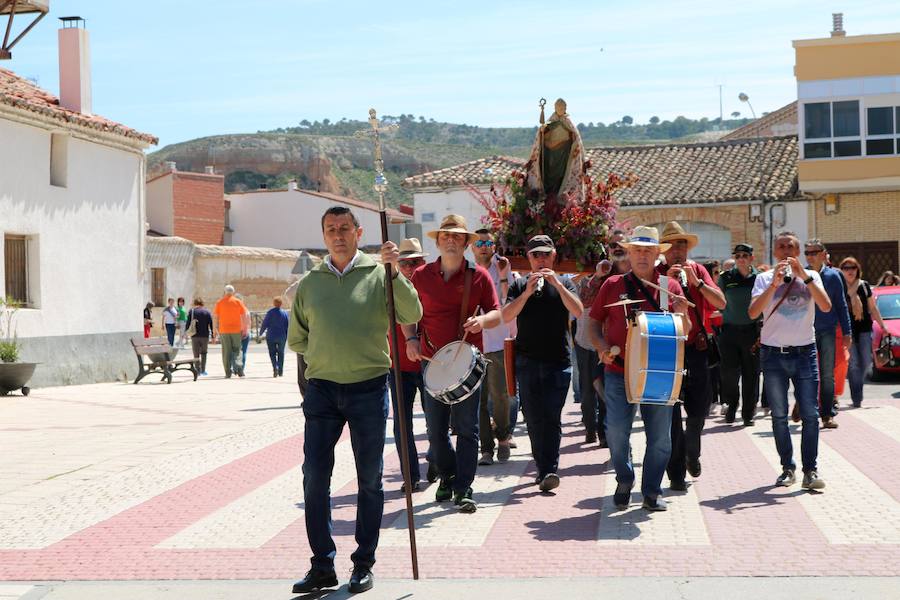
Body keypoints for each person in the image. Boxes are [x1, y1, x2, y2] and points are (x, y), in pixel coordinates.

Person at [288, 206, 422, 595]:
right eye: (331, 229)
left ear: (359, 232)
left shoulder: (380, 273)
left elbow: (412, 312)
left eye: (345, 228)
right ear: (323, 234)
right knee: (314, 476)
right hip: (322, 391)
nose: (338, 234)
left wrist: (395, 271)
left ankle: (363, 564)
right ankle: (322, 565)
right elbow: (297, 337)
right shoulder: (311, 282)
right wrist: (327, 352)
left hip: (369, 387)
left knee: (370, 478)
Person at [403, 214, 501, 514]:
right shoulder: (420, 276)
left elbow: (497, 313)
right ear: (437, 240)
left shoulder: (479, 276)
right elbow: (407, 313)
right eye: (445, 235)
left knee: (468, 429)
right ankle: (446, 476)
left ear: (465, 242)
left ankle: (464, 488)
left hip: (466, 363)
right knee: (435, 431)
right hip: (431, 362)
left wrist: (481, 320)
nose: (450, 240)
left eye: (457, 236)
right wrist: (411, 339)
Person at [588, 226, 690, 512]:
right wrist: (600, 348)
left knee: (660, 438)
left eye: (648, 250)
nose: (642, 255)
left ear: (658, 254)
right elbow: (593, 323)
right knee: (617, 432)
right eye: (637, 250)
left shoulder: (671, 288)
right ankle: (624, 477)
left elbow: (685, 332)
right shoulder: (612, 285)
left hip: (659, 373)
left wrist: (683, 315)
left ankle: (652, 490)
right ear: (629, 253)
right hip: (619, 371)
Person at [749, 231, 831, 491]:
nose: (785, 250)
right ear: (774, 251)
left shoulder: (812, 276)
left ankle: (810, 470)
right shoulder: (763, 278)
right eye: (781, 246)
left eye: (791, 247)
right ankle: (788, 467)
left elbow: (826, 306)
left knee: (810, 413)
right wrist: (773, 285)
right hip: (773, 354)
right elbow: (752, 313)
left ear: (797, 252)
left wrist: (804, 276)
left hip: (805, 353)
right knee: (780, 416)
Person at [503, 234, 583, 492]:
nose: (540, 259)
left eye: (545, 254)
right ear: (528, 258)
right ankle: (542, 468)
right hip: (527, 362)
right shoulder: (518, 285)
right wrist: (526, 293)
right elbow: (506, 316)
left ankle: (549, 469)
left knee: (551, 417)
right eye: (535, 255)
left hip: (558, 363)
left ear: (553, 256)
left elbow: (579, 311)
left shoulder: (566, 283)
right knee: (534, 419)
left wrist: (557, 285)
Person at [658, 222, 726, 491]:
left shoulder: (698, 270)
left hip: (696, 349)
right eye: (673, 245)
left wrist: (697, 284)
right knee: (671, 412)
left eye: (682, 244)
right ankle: (676, 474)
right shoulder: (657, 273)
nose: (678, 250)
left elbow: (721, 303)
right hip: (668, 351)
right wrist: (669, 283)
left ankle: (691, 451)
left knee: (699, 410)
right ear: (664, 250)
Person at [471, 228, 516, 466]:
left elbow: (508, 303)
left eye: (488, 243)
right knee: (478, 398)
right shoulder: (468, 272)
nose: (484, 246)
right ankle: (485, 448)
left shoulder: (505, 268)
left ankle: (503, 438)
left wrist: (502, 276)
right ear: (472, 247)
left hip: (498, 341)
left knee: (501, 396)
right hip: (475, 344)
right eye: (479, 242)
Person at [388, 238, 429, 491]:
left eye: (415, 262)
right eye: (404, 263)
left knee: (436, 423)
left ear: (422, 262)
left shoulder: (429, 284)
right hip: (398, 366)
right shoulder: (388, 287)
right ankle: (411, 477)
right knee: (402, 426)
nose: (409, 268)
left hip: (429, 365)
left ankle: (436, 462)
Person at [804, 240, 851, 428]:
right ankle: (804, 405)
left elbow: (841, 305)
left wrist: (847, 332)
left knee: (827, 374)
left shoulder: (833, 276)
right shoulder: (801, 275)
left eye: (814, 252)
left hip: (827, 331)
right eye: (807, 252)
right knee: (806, 373)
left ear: (823, 254)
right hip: (805, 331)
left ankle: (827, 414)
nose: (810, 255)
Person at [717, 243, 762, 426]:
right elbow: (718, 299)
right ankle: (731, 405)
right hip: (729, 330)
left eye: (745, 255)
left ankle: (748, 412)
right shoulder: (726, 277)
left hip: (752, 331)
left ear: (751, 258)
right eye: (737, 256)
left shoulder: (760, 278)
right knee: (729, 374)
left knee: (751, 374)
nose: (741, 259)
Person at [838, 256, 889, 407]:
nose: (850, 271)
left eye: (852, 268)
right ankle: (856, 397)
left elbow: (872, 308)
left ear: (857, 270)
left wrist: (883, 325)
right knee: (853, 364)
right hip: (848, 330)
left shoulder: (864, 285)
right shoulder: (839, 286)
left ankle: (857, 387)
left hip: (865, 329)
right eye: (846, 268)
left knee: (866, 363)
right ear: (842, 271)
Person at [213, 285, 247, 378]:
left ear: (225, 292)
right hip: (236, 329)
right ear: (233, 292)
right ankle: (239, 369)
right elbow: (244, 316)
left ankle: (228, 373)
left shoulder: (220, 302)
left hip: (224, 330)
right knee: (237, 350)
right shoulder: (238, 302)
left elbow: (215, 317)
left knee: (226, 351)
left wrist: (214, 331)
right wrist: (244, 328)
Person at [260, 297, 289, 377]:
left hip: (271, 336)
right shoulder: (285, 313)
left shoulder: (270, 312)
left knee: (272, 353)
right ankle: (280, 371)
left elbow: (265, 323)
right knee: (281, 353)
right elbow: (287, 325)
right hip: (282, 336)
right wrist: (287, 335)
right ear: (281, 304)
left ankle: (275, 367)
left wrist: (260, 333)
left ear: (274, 303)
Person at [186, 298, 214, 375]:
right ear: (202, 303)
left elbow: (188, 324)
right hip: (205, 335)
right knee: (204, 353)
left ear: (195, 303)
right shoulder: (207, 312)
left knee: (196, 354)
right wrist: (213, 335)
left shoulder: (191, 312)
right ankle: (203, 370)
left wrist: (186, 332)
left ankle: (197, 370)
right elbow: (211, 324)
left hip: (194, 335)